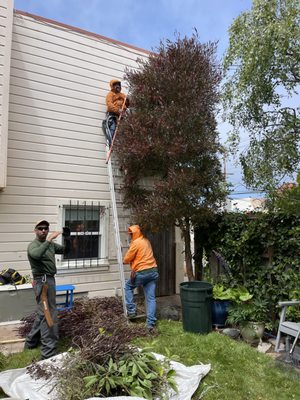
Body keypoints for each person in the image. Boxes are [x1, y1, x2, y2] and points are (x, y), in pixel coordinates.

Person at [24, 220, 70, 359]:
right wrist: (49, 239)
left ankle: (30, 343)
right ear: (35, 231)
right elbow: (37, 255)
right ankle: (48, 353)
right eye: (40, 228)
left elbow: (65, 250)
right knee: (49, 314)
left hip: (50, 280)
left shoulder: (50, 246)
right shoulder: (33, 246)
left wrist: (67, 238)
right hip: (42, 282)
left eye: (46, 228)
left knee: (43, 313)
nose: (44, 230)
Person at [123, 225, 159, 331]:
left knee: (128, 287)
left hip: (143, 272)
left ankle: (131, 311)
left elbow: (126, 259)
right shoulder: (146, 241)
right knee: (151, 298)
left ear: (134, 233)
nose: (130, 235)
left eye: (131, 234)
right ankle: (150, 324)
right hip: (153, 271)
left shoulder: (136, 243)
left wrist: (129, 262)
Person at [104, 79, 129, 145]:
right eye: (116, 85)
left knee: (123, 131)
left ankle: (121, 145)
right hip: (113, 115)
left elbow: (127, 104)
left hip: (121, 117)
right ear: (112, 86)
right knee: (112, 128)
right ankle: (109, 143)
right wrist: (118, 110)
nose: (118, 86)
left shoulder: (122, 95)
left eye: (119, 85)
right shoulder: (110, 94)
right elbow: (109, 105)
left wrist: (127, 101)